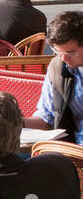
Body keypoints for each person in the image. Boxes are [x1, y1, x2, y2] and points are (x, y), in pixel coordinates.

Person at [23, 11, 83, 144]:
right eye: (57, 52)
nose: (63, 58)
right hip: (71, 148)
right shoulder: (58, 67)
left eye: (70, 53)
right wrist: (16, 122)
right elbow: (46, 118)